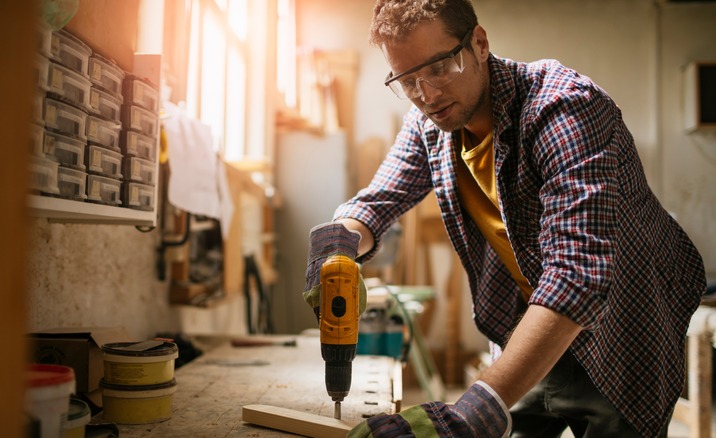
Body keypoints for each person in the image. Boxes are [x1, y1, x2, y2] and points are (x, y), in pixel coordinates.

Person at [303, 0, 707, 436]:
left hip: (628, 320)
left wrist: (469, 415)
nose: (428, 95)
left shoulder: (563, 107)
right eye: (407, 80)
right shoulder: (429, 124)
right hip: (535, 321)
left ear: (478, 43)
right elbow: (376, 203)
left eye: (440, 67)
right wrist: (337, 244)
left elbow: (576, 275)